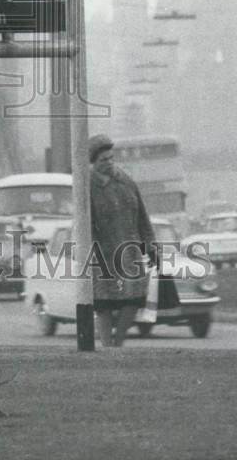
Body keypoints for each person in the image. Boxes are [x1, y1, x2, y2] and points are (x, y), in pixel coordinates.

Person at [89, 134, 156, 348]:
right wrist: (92, 254)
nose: (109, 163)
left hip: (130, 252)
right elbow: (84, 224)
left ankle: (118, 342)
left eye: (111, 158)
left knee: (135, 298)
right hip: (103, 254)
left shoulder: (126, 181)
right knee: (104, 303)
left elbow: (142, 217)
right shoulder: (88, 186)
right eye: (103, 160)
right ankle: (108, 346)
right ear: (94, 163)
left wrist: (150, 246)